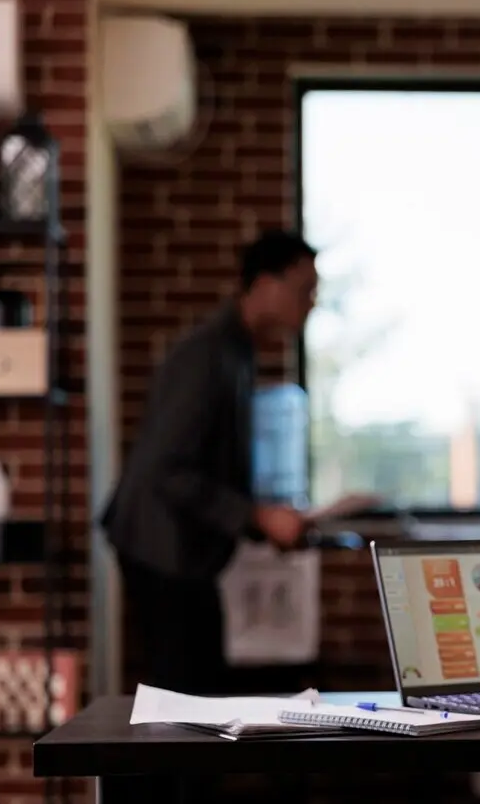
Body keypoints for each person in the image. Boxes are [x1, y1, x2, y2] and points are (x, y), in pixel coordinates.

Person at [101, 230, 319, 695]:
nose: (312, 303)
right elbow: (167, 469)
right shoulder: (208, 354)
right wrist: (258, 515)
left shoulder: (236, 350)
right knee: (189, 704)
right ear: (264, 284)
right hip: (161, 548)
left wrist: (263, 522)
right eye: (304, 290)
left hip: (179, 551)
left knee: (202, 692)